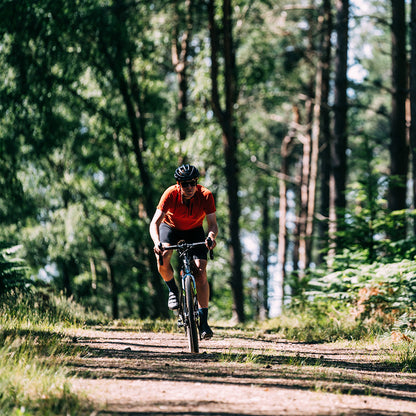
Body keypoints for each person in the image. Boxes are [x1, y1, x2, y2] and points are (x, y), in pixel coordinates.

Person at [149, 164, 218, 340]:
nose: (189, 187)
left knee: (201, 273)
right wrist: (157, 243)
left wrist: (211, 237)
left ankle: (203, 322)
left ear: (196, 183)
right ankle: (173, 290)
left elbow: (212, 224)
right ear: (178, 184)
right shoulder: (170, 194)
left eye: (192, 183)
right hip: (170, 227)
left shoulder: (206, 195)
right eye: (185, 184)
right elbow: (155, 223)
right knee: (163, 257)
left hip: (195, 230)